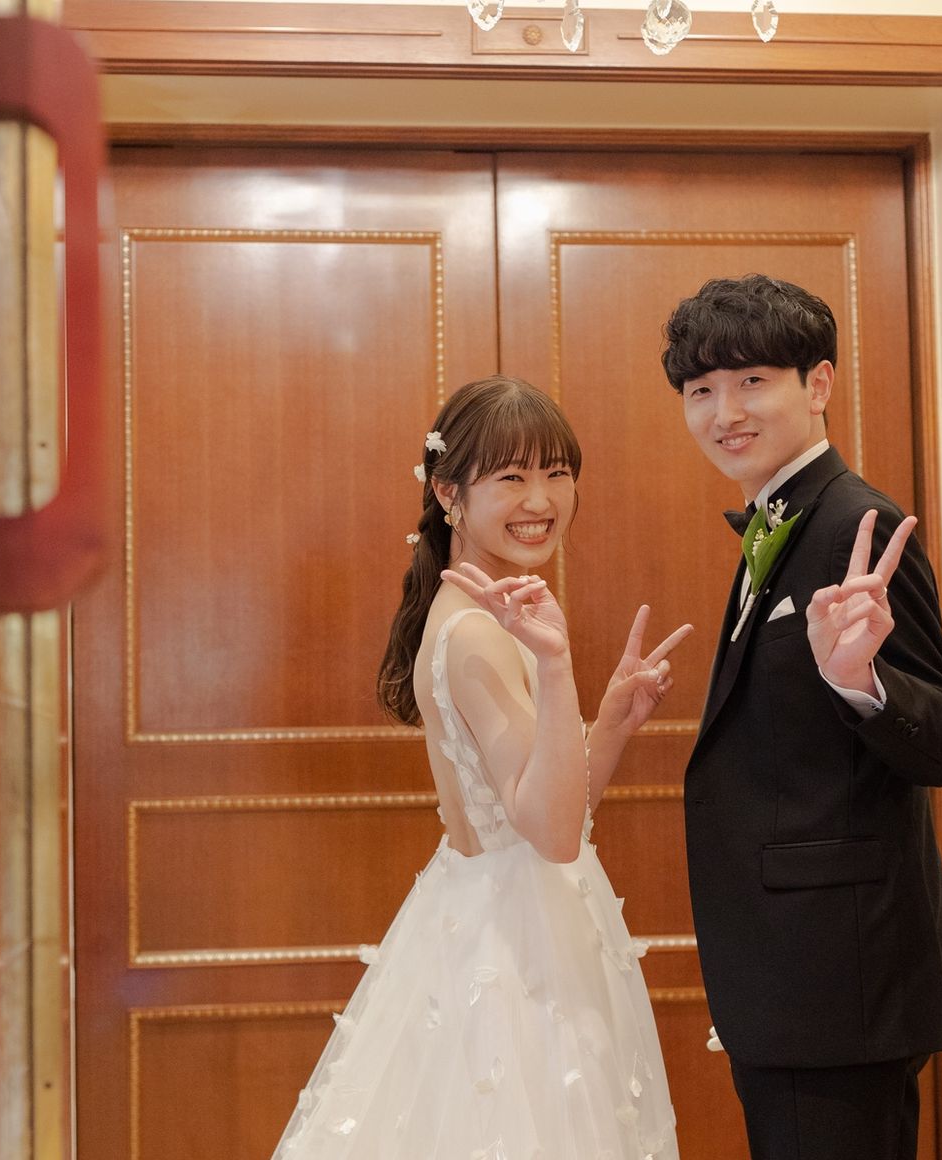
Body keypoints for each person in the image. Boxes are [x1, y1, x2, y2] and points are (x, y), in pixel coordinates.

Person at [271, 375, 692, 1160]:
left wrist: (609, 723)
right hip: (513, 949)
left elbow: (552, 811)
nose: (541, 499)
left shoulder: (478, 614)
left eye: (557, 473)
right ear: (449, 493)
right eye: (512, 476)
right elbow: (553, 835)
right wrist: (559, 669)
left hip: (504, 911)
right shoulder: (477, 633)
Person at [660, 274, 942, 1160]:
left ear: (820, 383)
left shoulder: (854, 524)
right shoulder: (781, 517)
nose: (725, 412)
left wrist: (860, 681)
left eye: (752, 381)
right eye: (701, 390)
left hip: (839, 980)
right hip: (802, 976)